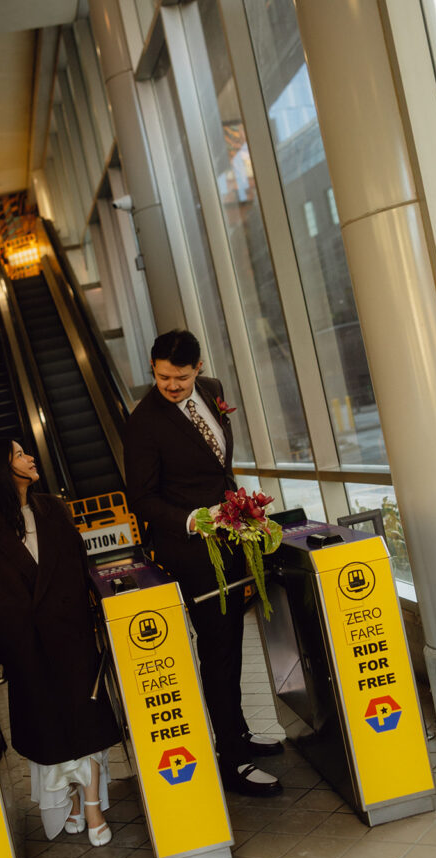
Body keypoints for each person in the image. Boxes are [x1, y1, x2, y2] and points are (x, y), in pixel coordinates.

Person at [124, 329, 283, 797]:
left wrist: (236, 508)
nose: (171, 386)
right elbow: (142, 499)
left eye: (180, 377)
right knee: (218, 650)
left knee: (233, 644)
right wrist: (193, 521)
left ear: (198, 369)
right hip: (190, 551)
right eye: (162, 376)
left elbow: (218, 468)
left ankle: (238, 732)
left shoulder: (211, 392)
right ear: (153, 368)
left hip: (231, 540)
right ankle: (232, 759)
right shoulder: (143, 423)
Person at [0, 438, 120, 844]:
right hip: (26, 650)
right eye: (18, 454)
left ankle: (93, 804)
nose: (29, 457)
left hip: (72, 638)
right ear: (2, 470)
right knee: (50, 732)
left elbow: (78, 567)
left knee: (88, 724)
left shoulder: (53, 509)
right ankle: (75, 801)